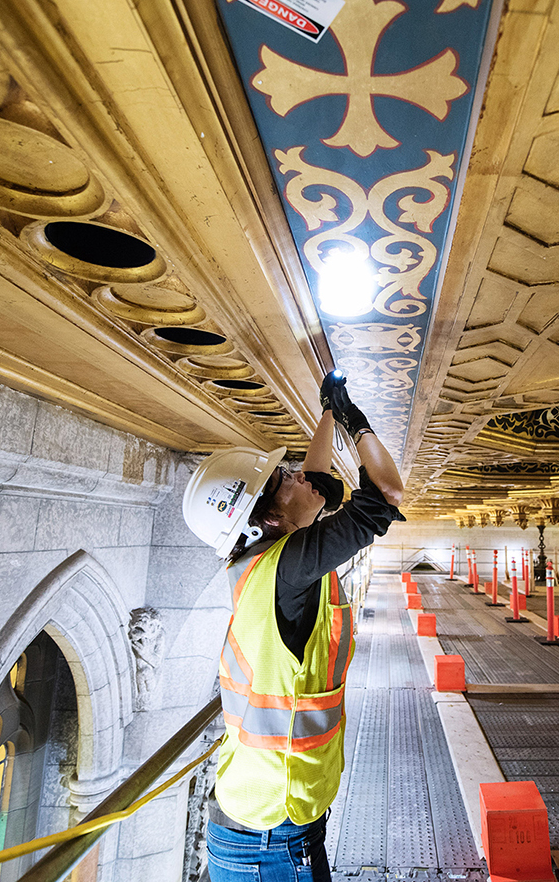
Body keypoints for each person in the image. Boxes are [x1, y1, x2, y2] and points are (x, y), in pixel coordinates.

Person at [182, 371, 404, 882]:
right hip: (270, 836)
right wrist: (354, 420)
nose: (298, 475)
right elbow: (385, 494)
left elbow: (320, 479)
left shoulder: (265, 561)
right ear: (268, 521)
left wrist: (327, 410)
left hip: (265, 823)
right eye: (283, 481)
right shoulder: (288, 568)